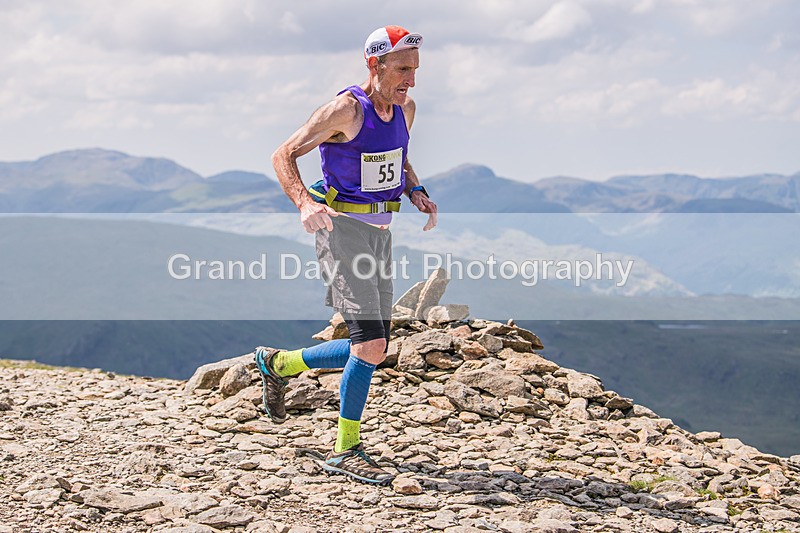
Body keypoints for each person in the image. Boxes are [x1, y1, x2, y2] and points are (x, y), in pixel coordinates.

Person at [256, 25, 438, 485]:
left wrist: (415, 189)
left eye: (415, 70)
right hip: (341, 230)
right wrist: (304, 202)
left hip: (380, 231)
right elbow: (283, 154)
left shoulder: (404, 109)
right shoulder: (345, 110)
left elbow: (398, 156)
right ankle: (345, 449)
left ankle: (279, 365)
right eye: (402, 69)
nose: (411, 81)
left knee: (372, 346)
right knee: (371, 345)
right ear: (374, 65)